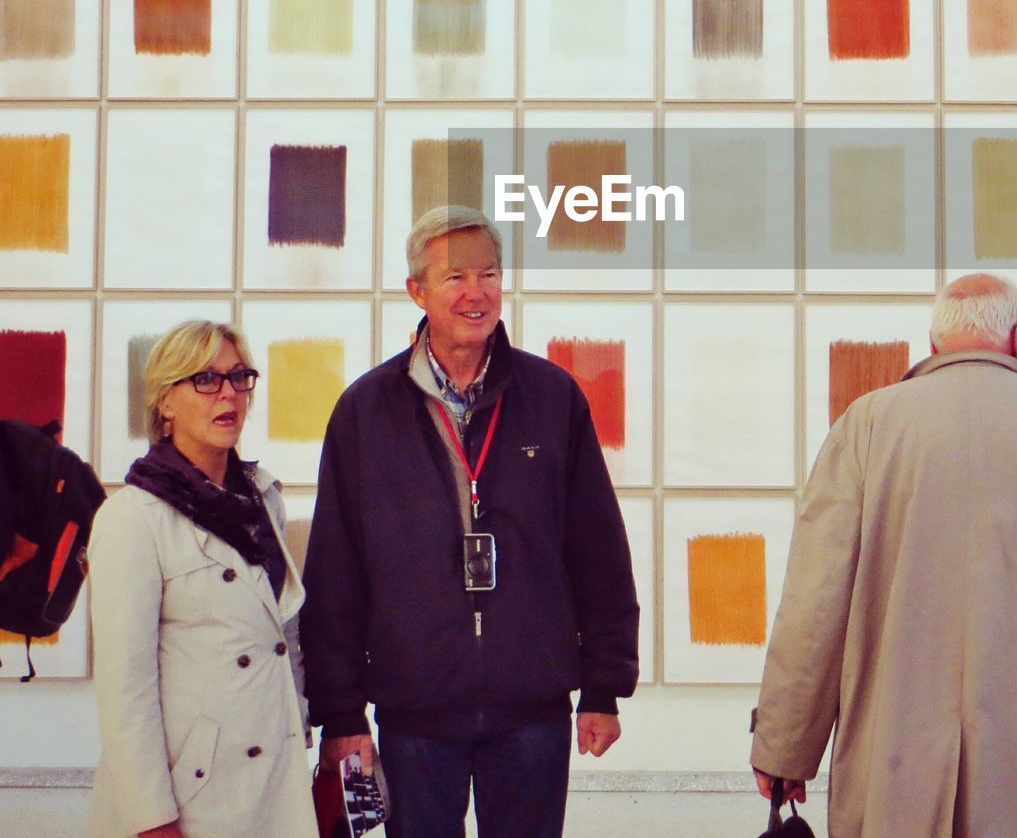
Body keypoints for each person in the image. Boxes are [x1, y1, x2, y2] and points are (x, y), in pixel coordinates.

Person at [751, 274, 1017, 838]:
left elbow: (815, 607)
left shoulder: (868, 425)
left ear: (933, 344)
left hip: (897, 765)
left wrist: (785, 748)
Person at [302, 204, 639, 838]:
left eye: (488, 274)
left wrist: (603, 686)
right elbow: (335, 573)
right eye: (455, 277)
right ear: (417, 291)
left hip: (532, 711)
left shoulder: (553, 397)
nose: (476, 292)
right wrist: (341, 713)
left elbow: (598, 552)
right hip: (413, 713)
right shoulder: (364, 412)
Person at [88, 320, 315, 838]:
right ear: (165, 402)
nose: (229, 393)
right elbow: (127, 690)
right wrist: (151, 820)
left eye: (239, 376)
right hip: (192, 797)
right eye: (206, 380)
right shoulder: (133, 517)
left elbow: (284, 639)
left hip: (275, 782)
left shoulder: (264, 497)